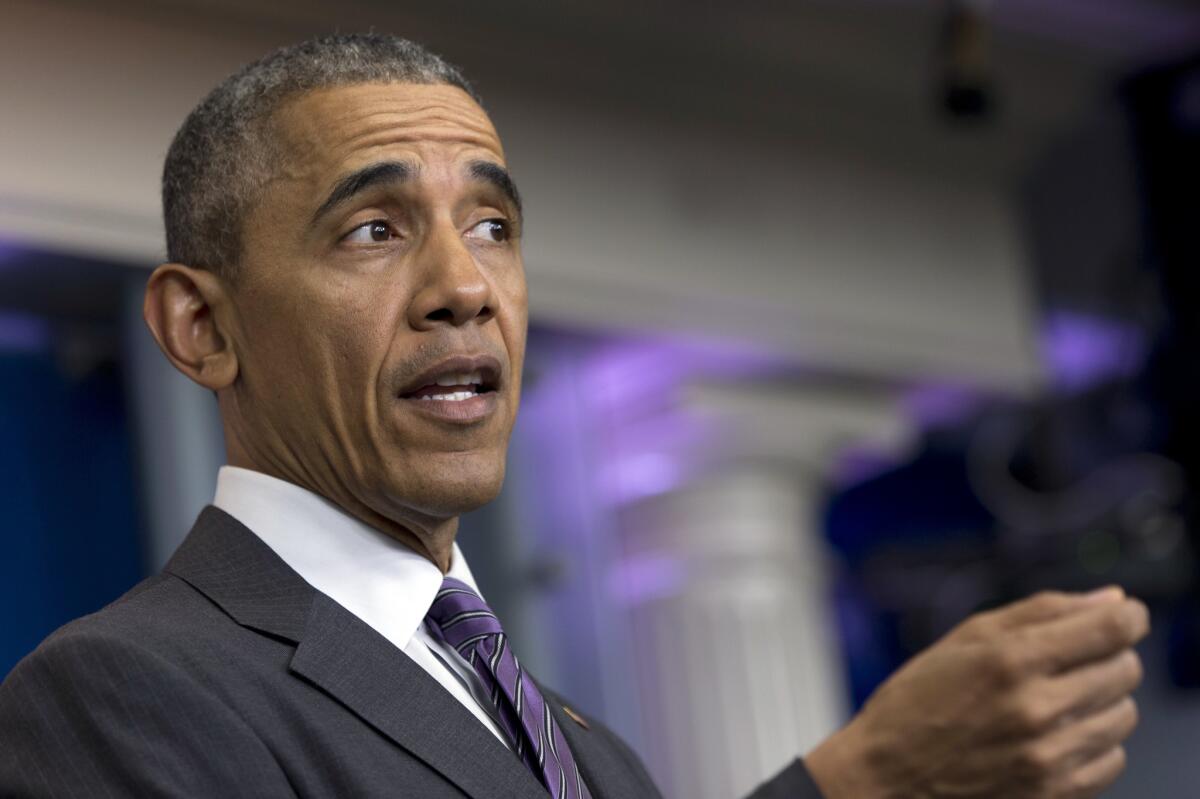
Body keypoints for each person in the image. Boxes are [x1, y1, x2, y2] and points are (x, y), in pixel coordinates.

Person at [0, 34, 1149, 799]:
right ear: (202, 327)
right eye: (375, 230)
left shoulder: (588, 750)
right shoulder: (121, 690)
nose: (468, 287)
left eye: (493, 225)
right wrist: (856, 782)